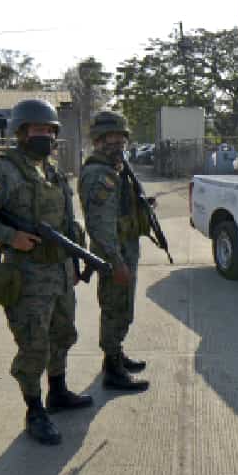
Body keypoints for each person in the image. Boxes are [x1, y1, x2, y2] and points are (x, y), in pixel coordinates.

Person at [0, 99, 93, 446]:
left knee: (63, 334)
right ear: (21, 132)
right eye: (37, 130)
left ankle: (58, 391)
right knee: (33, 345)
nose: (45, 136)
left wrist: (72, 262)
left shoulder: (51, 171)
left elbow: (67, 223)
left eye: (49, 131)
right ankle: (34, 409)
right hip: (26, 275)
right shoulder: (2, 172)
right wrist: (11, 236)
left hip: (58, 270)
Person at [79, 111, 150, 392]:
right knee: (114, 309)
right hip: (114, 254)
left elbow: (117, 209)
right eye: (111, 136)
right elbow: (100, 224)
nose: (118, 142)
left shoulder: (116, 169)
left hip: (124, 249)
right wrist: (117, 262)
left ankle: (116, 355)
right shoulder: (100, 174)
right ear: (98, 140)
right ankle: (112, 369)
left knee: (123, 308)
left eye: (122, 136)